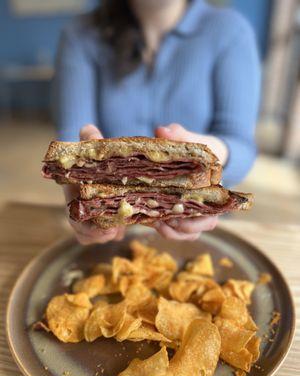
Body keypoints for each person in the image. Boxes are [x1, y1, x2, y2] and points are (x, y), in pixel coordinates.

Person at [54, 0, 261, 244]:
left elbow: (242, 145)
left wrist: (208, 157)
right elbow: (71, 143)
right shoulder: (80, 34)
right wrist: (76, 187)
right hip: (110, 227)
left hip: (203, 225)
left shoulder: (230, 31)